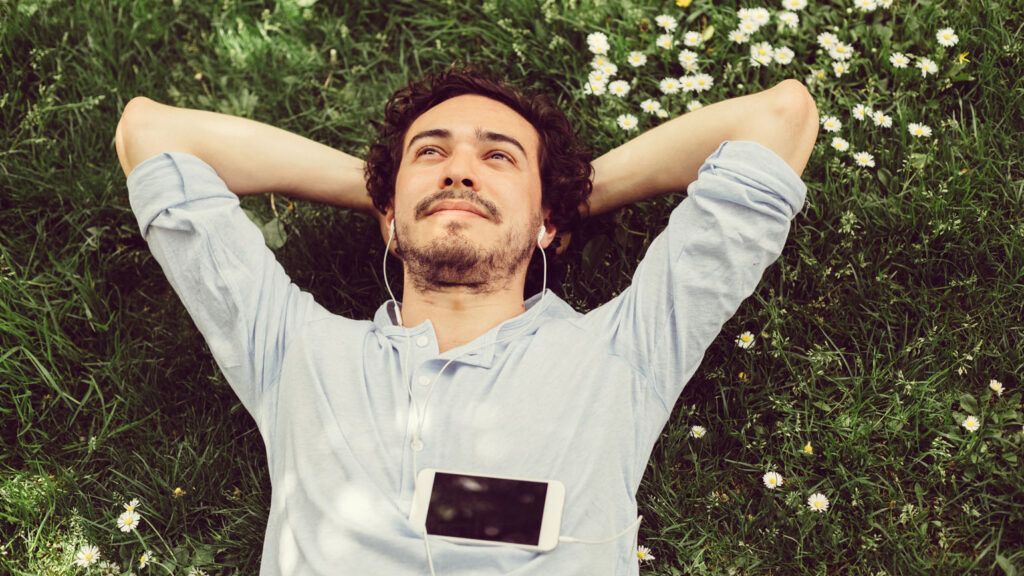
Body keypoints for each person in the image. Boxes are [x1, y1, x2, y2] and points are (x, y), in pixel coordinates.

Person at [115, 65, 818, 575]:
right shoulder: (294, 350)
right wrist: (391, 197)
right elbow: (152, 133)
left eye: (497, 157)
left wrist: (559, 199)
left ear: (548, 223)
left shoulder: (624, 352)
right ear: (387, 215)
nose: (459, 172)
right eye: (431, 154)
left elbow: (778, 119)